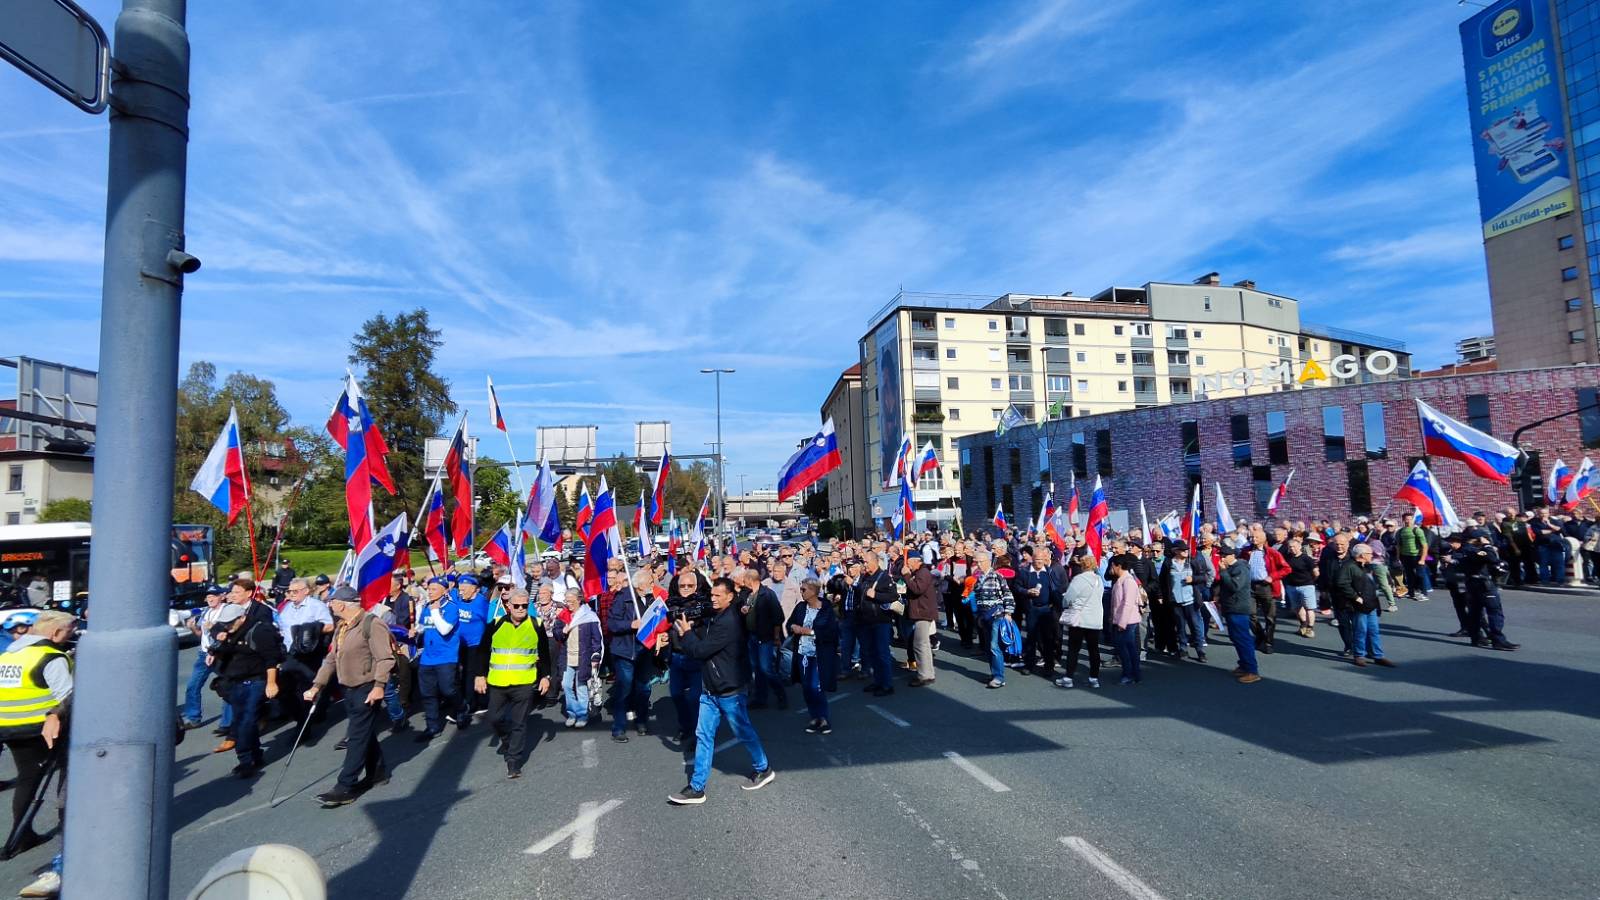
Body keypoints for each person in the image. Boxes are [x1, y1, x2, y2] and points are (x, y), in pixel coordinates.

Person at [668, 577, 775, 805]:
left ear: (730, 597)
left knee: (743, 731)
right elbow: (703, 643)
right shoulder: (716, 616)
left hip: (729, 690)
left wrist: (686, 633)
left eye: (718, 596)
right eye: (712, 595)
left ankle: (763, 768)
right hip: (710, 689)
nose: (713, 599)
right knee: (703, 736)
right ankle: (697, 787)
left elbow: (700, 650)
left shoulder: (729, 623)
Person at [304, 588, 395, 807]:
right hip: (349, 689)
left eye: (332, 602)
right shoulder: (341, 628)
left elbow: (385, 658)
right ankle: (378, 772)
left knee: (356, 736)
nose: (329, 605)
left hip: (367, 687)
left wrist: (379, 685)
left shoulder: (372, 624)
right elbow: (330, 660)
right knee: (364, 732)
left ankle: (345, 786)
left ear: (342, 604)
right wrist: (317, 685)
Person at [0, 610, 74, 875]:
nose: (72, 635)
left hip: (9, 725)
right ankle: (55, 836)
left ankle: (22, 834)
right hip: (39, 727)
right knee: (65, 778)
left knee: (26, 778)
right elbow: (68, 695)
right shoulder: (51, 656)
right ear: (55, 633)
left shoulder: (9, 654)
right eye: (69, 631)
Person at [471, 587, 549, 778]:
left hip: (524, 683)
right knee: (494, 718)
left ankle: (513, 761)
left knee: (519, 722)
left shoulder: (536, 624)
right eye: (517, 605)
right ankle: (507, 739)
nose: (521, 609)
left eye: (525, 605)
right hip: (498, 682)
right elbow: (482, 651)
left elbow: (545, 653)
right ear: (508, 606)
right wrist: (479, 675)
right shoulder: (496, 623)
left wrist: (546, 677)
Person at [208, 601, 284, 777]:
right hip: (235, 681)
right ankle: (256, 755)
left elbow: (271, 659)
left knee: (246, 722)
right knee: (242, 718)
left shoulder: (259, 631)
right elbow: (215, 629)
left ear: (242, 618)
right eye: (224, 623)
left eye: (230, 623)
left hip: (256, 680)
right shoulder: (228, 629)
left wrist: (272, 683)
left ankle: (244, 760)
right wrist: (218, 636)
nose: (227, 626)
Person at [605, 569, 657, 742]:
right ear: (641, 584)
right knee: (624, 689)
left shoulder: (651, 598)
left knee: (643, 688)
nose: (653, 584)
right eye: (650, 581)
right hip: (625, 651)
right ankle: (618, 728)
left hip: (645, 650)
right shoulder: (623, 598)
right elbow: (612, 624)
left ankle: (641, 720)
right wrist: (631, 624)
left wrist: (661, 634)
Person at [276, 577, 334, 729]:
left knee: (308, 685)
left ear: (306, 591)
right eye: (289, 591)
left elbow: (329, 626)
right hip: (290, 653)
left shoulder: (316, 606)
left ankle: (311, 717)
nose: (292, 594)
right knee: (286, 686)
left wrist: (311, 630)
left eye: (295, 591)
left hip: (309, 653)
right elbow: (282, 628)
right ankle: (301, 717)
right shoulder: (287, 607)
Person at [411, 576, 464, 742]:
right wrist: (416, 630)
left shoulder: (451, 608)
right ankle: (432, 727)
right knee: (428, 694)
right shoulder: (426, 607)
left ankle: (462, 708)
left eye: (434, 589)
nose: (429, 591)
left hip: (446, 657)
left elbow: (444, 629)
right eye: (429, 588)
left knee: (448, 690)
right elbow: (423, 626)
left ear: (444, 590)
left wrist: (435, 611)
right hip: (428, 657)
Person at [787, 578, 838, 734]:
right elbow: (791, 623)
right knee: (806, 687)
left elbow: (832, 633)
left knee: (816, 686)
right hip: (802, 652)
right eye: (801, 589)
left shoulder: (826, 609)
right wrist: (793, 627)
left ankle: (823, 718)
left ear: (814, 591)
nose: (801, 592)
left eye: (804, 590)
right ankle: (814, 716)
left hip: (819, 654)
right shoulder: (801, 607)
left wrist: (809, 631)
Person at [1332, 544, 1395, 669]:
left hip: (1370, 604)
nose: (1372, 556)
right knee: (1360, 630)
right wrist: (1355, 597)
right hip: (1358, 606)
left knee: (1374, 631)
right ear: (1362, 555)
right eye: (1370, 554)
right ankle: (1359, 655)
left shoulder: (1365, 567)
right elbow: (1341, 583)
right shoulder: (1349, 566)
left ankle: (1377, 655)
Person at [180, 585, 232, 732]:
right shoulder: (206, 612)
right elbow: (201, 635)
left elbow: (227, 636)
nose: (210, 599)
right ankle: (193, 718)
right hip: (204, 654)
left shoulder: (227, 612)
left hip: (221, 655)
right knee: (192, 686)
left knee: (227, 687)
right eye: (208, 596)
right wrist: (193, 628)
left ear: (222, 596)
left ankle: (227, 723)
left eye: (214, 596)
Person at [666, 571, 707, 745]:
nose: (686, 589)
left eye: (690, 585)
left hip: (695, 656)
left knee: (695, 697)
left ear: (696, 586)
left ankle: (698, 733)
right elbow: (663, 623)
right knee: (676, 694)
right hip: (676, 656)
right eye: (683, 585)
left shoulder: (703, 604)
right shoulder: (670, 603)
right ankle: (685, 727)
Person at [554, 586, 603, 728]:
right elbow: (557, 633)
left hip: (584, 657)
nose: (568, 604)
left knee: (581, 686)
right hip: (567, 657)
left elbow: (596, 639)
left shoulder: (589, 616)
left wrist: (596, 657)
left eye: (571, 601)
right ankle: (572, 713)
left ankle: (582, 715)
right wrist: (562, 631)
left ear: (579, 600)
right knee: (566, 685)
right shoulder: (563, 616)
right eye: (566, 601)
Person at [1055, 551, 1104, 688]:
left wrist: (1065, 604)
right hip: (1095, 618)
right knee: (1094, 649)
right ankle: (1094, 678)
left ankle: (1068, 678)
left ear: (1082, 565)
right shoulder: (1098, 580)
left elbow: (1068, 598)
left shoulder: (1079, 579)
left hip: (1079, 619)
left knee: (1073, 649)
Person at [970, 550, 1015, 689]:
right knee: (988, 647)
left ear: (988, 561)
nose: (978, 564)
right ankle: (994, 673)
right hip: (984, 616)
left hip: (997, 614)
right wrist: (977, 614)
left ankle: (999, 677)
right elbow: (976, 597)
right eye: (976, 562)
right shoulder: (979, 578)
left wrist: (1008, 612)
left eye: (980, 562)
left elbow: (1008, 595)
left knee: (994, 646)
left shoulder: (997, 576)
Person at [853, 554, 896, 696]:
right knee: (872, 653)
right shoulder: (865, 577)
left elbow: (893, 596)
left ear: (876, 561)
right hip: (866, 621)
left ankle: (887, 684)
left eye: (866, 562)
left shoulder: (884, 577)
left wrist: (876, 595)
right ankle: (878, 681)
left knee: (882, 653)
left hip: (881, 621)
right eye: (863, 562)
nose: (864, 565)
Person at [1216, 545, 1259, 684]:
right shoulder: (1230, 568)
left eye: (1224, 556)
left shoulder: (1240, 568)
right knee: (1236, 638)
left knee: (1243, 638)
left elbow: (1235, 586)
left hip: (1238, 608)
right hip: (1230, 607)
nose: (1222, 559)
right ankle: (1244, 665)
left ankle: (1252, 670)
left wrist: (1223, 572)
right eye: (1221, 556)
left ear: (1232, 555)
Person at [453, 575, 489, 719]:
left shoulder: (481, 602)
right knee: (463, 674)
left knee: (472, 674)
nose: (461, 592)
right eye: (459, 589)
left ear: (475, 589)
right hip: (461, 644)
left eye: (464, 589)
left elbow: (489, 623)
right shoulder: (458, 600)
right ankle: (472, 700)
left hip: (476, 645)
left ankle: (473, 703)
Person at [1108, 554, 1145, 685]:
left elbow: (1128, 603)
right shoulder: (1122, 580)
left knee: (1125, 649)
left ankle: (1129, 674)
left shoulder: (1128, 581)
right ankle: (1135, 674)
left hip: (1127, 621)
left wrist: (1121, 623)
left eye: (1112, 565)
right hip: (1123, 620)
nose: (1111, 568)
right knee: (1129, 649)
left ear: (1118, 566)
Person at [903, 553, 939, 686]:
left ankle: (924, 675)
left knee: (920, 644)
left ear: (915, 561)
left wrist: (907, 576)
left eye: (909, 562)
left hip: (923, 612)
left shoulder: (923, 572)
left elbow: (918, 589)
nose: (907, 565)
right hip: (922, 611)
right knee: (923, 644)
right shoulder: (922, 572)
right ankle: (927, 673)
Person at [1283, 535, 1319, 639]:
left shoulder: (1306, 558)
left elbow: (1316, 572)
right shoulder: (1287, 558)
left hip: (1306, 586)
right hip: (1292, 586)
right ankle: (1303, 625)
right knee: (1297, 608)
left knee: (1309, 608)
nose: (1292, 549)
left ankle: (1310, 628)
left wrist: (1311, 581)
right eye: (1290, 547)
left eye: (1294, 546)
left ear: (1299, 547)